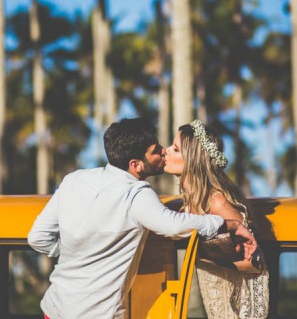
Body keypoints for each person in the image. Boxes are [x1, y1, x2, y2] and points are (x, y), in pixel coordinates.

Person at [28, 118, 257, 319]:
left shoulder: (73, 180)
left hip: (55, 308)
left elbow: (37, 237)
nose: (163, 152)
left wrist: (73, 251)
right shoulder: (136, 194)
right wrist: (228, 224)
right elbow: (173, 226)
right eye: (156, 150)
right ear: (136, 165)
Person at [164, 119, 269, 319]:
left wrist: (199, 255)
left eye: (176, 149)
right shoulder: (188, 203)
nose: (166, 150)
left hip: (235, 311)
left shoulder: (217, 202)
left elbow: (256, 264)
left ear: (193, 160)